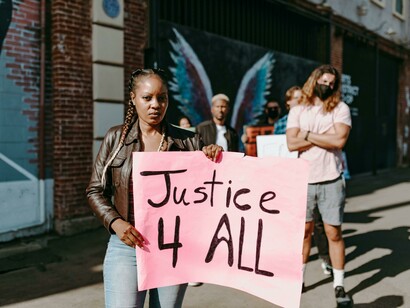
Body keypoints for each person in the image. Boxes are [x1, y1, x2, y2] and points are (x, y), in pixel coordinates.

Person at [86, 68, 223, 308]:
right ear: (133, 98)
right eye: (147, 98)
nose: (155, 105)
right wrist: (116, 223)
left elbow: (209, 192)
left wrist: (214, 158)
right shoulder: (116, 139)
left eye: (162, 98)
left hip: (173, 247)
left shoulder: (189, 141)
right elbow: (95, 190)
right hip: (126, 245)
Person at [286, 64, 353, 307]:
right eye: (323, 81)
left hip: (331, 179)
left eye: (331, 84)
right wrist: (324, 138)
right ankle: (299, 279)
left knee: (333, 233)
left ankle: (339, 284)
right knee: (303, 233)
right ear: (314, 81)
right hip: (304, 179)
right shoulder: (299, 109)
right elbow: (291, 144)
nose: (327, 86)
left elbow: (340, 140)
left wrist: (307, 135)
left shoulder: (340, 108)